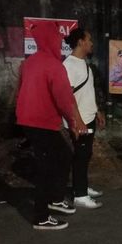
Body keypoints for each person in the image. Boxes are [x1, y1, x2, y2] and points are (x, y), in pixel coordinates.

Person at [16, 20, 88, 230]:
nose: (60, 41)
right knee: (46, 167)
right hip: (41, 123)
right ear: (50, 40)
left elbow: (20, 89)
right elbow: (64, 98)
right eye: (57, 37)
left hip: (30, 121)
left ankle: (55, 199)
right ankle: (41, 217)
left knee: (63, 156)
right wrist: (73, 122)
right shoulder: (53, 65)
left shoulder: (31, 62)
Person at [63, 28, 105, 209]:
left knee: (85, 154)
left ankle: (82, 187)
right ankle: (80, 195)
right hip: (78, 120)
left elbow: (87, 91)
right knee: (80, 155)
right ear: (80, 42)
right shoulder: (69, 65)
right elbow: (68, 97)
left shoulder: (83, 63)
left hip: (88, 117)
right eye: (89, 40)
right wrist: (77, 121)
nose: (92, 43)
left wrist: (97, 111)